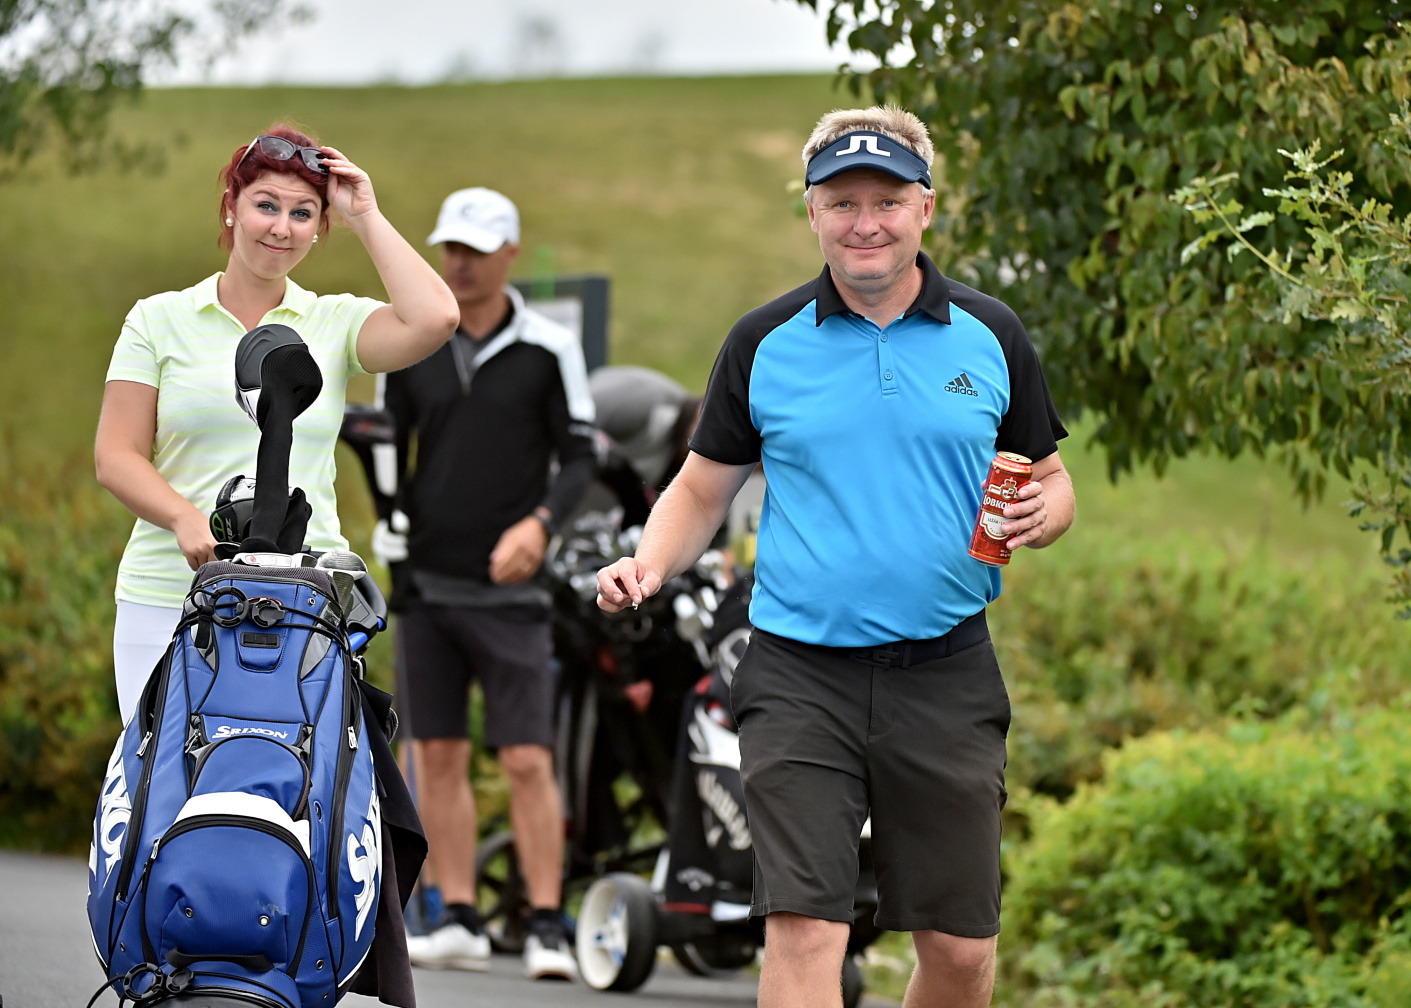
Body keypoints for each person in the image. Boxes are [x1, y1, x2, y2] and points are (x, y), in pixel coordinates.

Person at [596, 106, 1076, 1008]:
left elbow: (1050, 480)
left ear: (924, 208)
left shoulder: (990, 333)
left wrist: (1040, 517)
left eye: (886, 201)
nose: (865, 223)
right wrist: (648, 564)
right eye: (842, 202)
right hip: (797, 673)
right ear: (811, 212)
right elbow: (700, 489)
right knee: (806, 928)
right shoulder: (763, 341)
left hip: (944, 670)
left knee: (960, 951)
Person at [95, 124, 459, 724]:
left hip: (302, 601)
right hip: (167, 597)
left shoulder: (334, 322)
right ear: (231, 207)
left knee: (293, 778)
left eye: (302, 213)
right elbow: (116, 456)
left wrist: (364, 215)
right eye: (266, 205)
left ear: (319, 228)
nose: (281, 228)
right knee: (160, 777)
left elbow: (437, 317)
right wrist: (185, 518)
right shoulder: (157, 320)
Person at [381, 187, 594, 981]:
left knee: (527, 759)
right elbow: (386, 444)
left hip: (512, 591)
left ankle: (545, 924)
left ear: (508, 254)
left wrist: (540, 525)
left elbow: (581, 455)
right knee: (434, 753)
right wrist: (391, 521)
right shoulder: (415, 340)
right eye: (450, 249)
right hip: (427, 584)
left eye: (474, 251)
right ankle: (459, 915)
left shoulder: (548, 347)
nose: (458, 264)